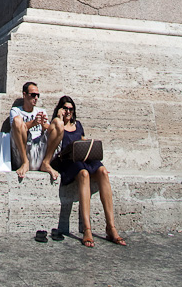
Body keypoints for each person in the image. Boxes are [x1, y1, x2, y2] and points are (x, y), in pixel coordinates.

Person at [51, 96, 125, 249]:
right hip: (68, 162)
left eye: (71, 109)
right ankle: (87, 229)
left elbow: (82, 141)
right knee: (84, 174)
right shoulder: (56, 125)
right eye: (65, 108)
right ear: (60, 108)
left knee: (103, 171)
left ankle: (111, 227)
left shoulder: (78, 125)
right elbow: (54, 146)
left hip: (83, 158)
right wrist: (59, 118)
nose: (68, 111)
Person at [9, 81, 63, 180]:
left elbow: (50, 130)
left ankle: (46, 163)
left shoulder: (41, 111)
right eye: (33, 95)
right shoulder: (16, 111)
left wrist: (43, 125)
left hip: (40, 149)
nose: (36, 98)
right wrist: (33, 123)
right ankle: (25, 163)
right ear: (24, 95)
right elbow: (16, 129)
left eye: (38, 95)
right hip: (23, 151)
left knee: (58, 123)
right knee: (17, 120)